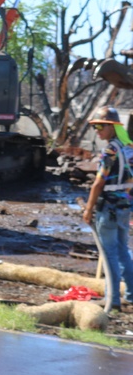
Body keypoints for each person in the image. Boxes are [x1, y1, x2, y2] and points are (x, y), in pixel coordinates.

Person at [82, 105, 133, 312]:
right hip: (123, 207)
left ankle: (112, 299)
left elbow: (98, 183)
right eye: (95, 127)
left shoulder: (110, 151)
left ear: (112, 127)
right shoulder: (128, 148)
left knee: (109, 253)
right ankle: (131, 294)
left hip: (109, 209)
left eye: (101, 126)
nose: (98, 131)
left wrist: (88, 209)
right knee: (122, 251)